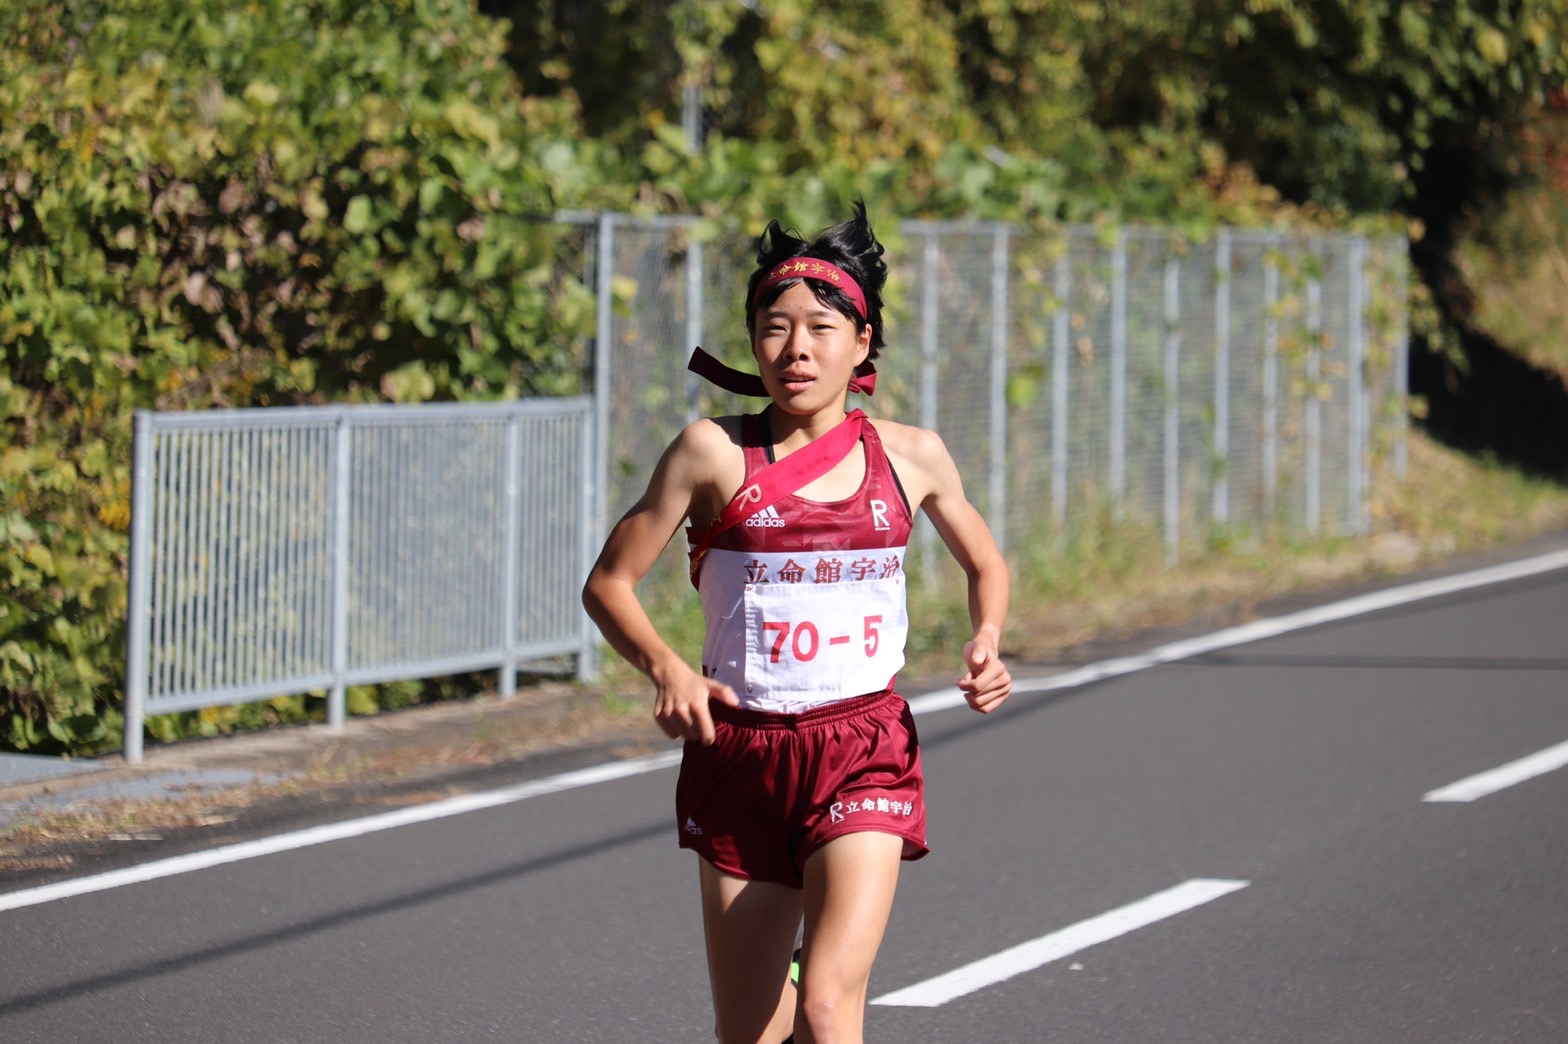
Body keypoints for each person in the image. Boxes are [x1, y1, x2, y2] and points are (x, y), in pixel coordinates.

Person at [581, 201, 1011, 1044]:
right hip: (739, 753)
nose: (796, 348)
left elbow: (986, 562)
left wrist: (987, 636)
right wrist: (667, 667)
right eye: (774, 327)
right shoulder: (712, 453)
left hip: (862, 746)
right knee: (751, 1031)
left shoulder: (910, 454)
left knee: (826, 1006)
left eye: (820, 326)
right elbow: (610, 583)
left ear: (864, 344)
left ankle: (810, 981)